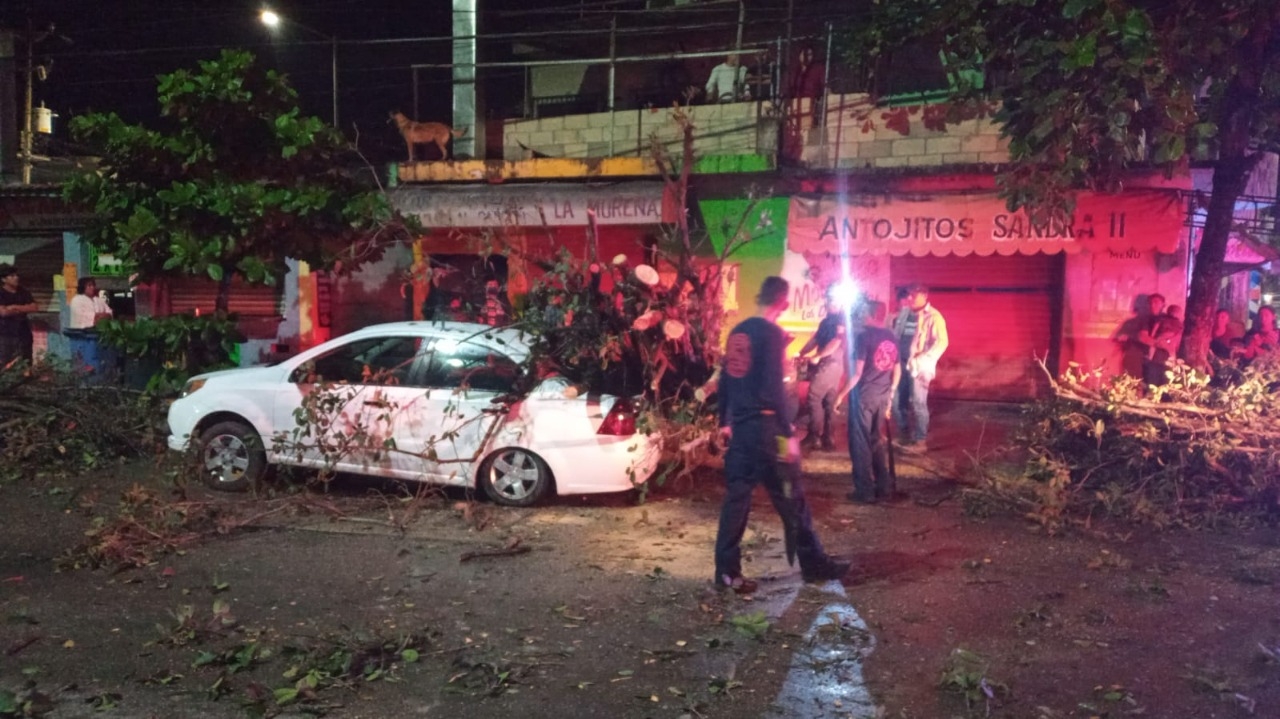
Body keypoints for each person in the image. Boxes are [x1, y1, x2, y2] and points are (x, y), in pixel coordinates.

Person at [714, 276, 848, 594]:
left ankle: (726, 572)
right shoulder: (772, 334)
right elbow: (774, 386)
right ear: (783, 302)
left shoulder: (738, 331)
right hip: (768, 429)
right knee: (792, 498)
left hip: (743, 430)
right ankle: (814, 564)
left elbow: (725, 379)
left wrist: (724, 421)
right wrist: (788, 433)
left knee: (736, 502)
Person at [836, 299, 901, 504]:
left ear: (870, 314)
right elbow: (897, 369)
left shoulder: (864, 337)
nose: (862, 316)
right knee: (876, 441)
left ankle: (864, 491)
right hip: (881, 396)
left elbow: (857, 374)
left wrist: (840, 395)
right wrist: (890, 394)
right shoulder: (891, 337)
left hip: (864, 397)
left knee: (860, 444)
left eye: (864, 313)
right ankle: (883, 487)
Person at [896, 284, 948, 451]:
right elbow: (897, 334)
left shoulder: (934, 316)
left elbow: (941, 342)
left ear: (924, 296)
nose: (909, 298)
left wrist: (923, 358)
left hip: (920, 366)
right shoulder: (905, 313)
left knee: (918, 402)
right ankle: (904, 436)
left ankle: (920, 441)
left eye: (913, 295)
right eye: (909, 295)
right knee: (897, 401)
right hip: (901, 363)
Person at [796, 289, 848, 451]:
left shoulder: (842, 320)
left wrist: (819, 355)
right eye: (826, 300)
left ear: (838, 302)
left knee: (814, 396)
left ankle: (815, 436)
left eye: (830, 301)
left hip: (831, 363)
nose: (827, 304)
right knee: (829, 401)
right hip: (829, 364)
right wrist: (802, 352)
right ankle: (828, 438)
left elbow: (837, 342)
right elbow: (815, 339)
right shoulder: (826, 321)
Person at [66, 277, 114, 377]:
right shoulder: (77, 300)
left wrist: (102, 316)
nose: (92, 287)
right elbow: (89, 317)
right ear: (83, 287)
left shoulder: (98, 300)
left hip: (98, 335)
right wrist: (99, 316)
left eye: (93, 285)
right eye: (89, 285)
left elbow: (109, 313)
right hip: (82, 335)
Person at [1117, 293, 1164, 379]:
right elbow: (1143, 337)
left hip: (1161, 360)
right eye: (1150, 303)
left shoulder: (1166, 320)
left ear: (1163, 304)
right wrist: (1159, 344)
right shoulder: (1142, 320)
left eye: (1156, 302)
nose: (1152, 305)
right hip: (1140, 358)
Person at [0, 264, 39, 365]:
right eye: (12, 276)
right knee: (7, 361)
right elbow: (3, 312)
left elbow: (34, 307)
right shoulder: (1, 293)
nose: (16, 278)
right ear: (3, 279)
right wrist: (24, 308)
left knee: (26, 360)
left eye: (16, 275)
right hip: (6, 333)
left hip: (23, 331)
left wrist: (14, 307)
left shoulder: (23, 291)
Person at [786, 45, 825, 127]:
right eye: (805, 54)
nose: (807, 57)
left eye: (810, 55)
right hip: (795, 105)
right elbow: (788, 89)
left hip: (813, 104)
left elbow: (825, 86)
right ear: (800, 55)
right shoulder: (794, 71)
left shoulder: (818, 69)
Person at [1144, 304, 1183, 386]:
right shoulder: (1162, 319)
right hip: (1160, 340)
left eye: (1178, 312)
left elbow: (1178, 336)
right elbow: (1156, 328)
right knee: (1153, 349)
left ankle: (1172, 362)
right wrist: (1152, 338)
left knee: (1171, 353)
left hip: (1168, 342)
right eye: (1175, 311)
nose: (1176, 313)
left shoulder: (1179, 323)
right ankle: (1150, 356)